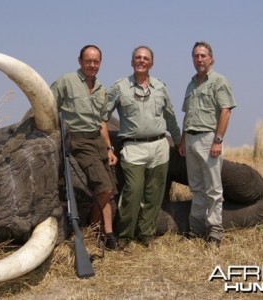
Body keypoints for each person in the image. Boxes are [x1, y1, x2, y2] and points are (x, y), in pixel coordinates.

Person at [106, 46, 181, 249]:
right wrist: (107, 147)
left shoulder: (160, 87)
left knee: (154, 193)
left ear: (151, 63)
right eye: (138, 58)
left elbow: (170, 117)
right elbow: (102, 118)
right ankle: (124, 236)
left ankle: (146, 233)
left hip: (159, 145)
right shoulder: (120, 87)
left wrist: (179, 140)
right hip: (133, 147)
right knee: (133, 191)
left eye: (145, 58)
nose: (141, 61)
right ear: (132, 62)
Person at [50, 45, 118, 250]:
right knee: (104, 188)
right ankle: (92, 225)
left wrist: (109, 148)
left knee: (110, 190)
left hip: (97, 140)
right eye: (88, 60)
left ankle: (108, 235)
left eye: (96, 61)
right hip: (77, 139)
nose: (92, 65)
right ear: (80, 61)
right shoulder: (66, 81)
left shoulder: (101, 89)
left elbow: (102, 122)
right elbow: (49, 106)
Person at [178, 41, 236, 247]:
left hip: (209, 139)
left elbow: (226, 111)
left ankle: (214, 233)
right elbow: (187, 116)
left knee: (213, 188)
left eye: (203, 55)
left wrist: (218, 140)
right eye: (196, 56)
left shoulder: (219, 80)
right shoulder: (191, 83)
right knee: (196, 188)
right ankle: (196, 230)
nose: (199, 59)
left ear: (211, 58)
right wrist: (183, 140)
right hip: (191, 139)